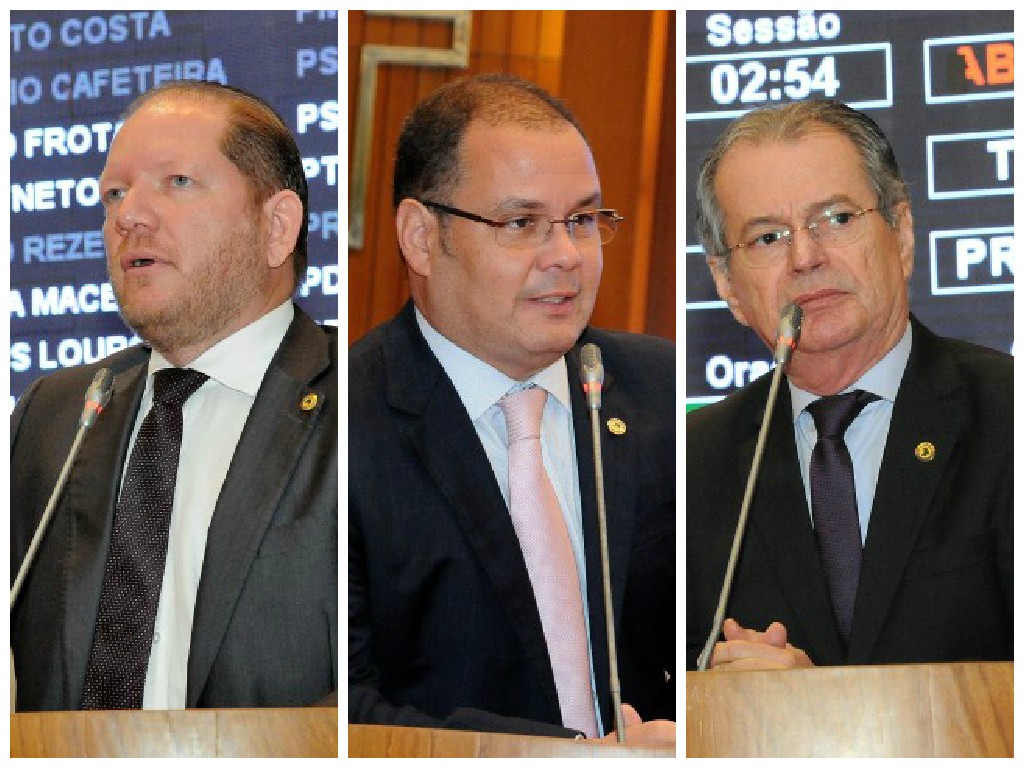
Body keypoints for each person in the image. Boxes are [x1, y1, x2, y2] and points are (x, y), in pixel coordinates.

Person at [348, 73, 675, 745]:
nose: (566, 257)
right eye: (522, 224)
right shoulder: (344, 428)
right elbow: (344, 711)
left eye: (582, 221)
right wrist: (568, 760)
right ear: (420, 237)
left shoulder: (659, 392)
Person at [10, 81, 338, 710]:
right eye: (114, 194)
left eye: (177, 182)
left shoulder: (359, 409)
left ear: (276, 226)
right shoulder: (53, 414)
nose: (127, 216)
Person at [687, 100, 1012, 671]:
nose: (805, 257)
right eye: (767, 237)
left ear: (901, 233)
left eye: (836, 219)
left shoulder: (1008, 413)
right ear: (727, 285)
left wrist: (824, 706)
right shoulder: (693, 463)